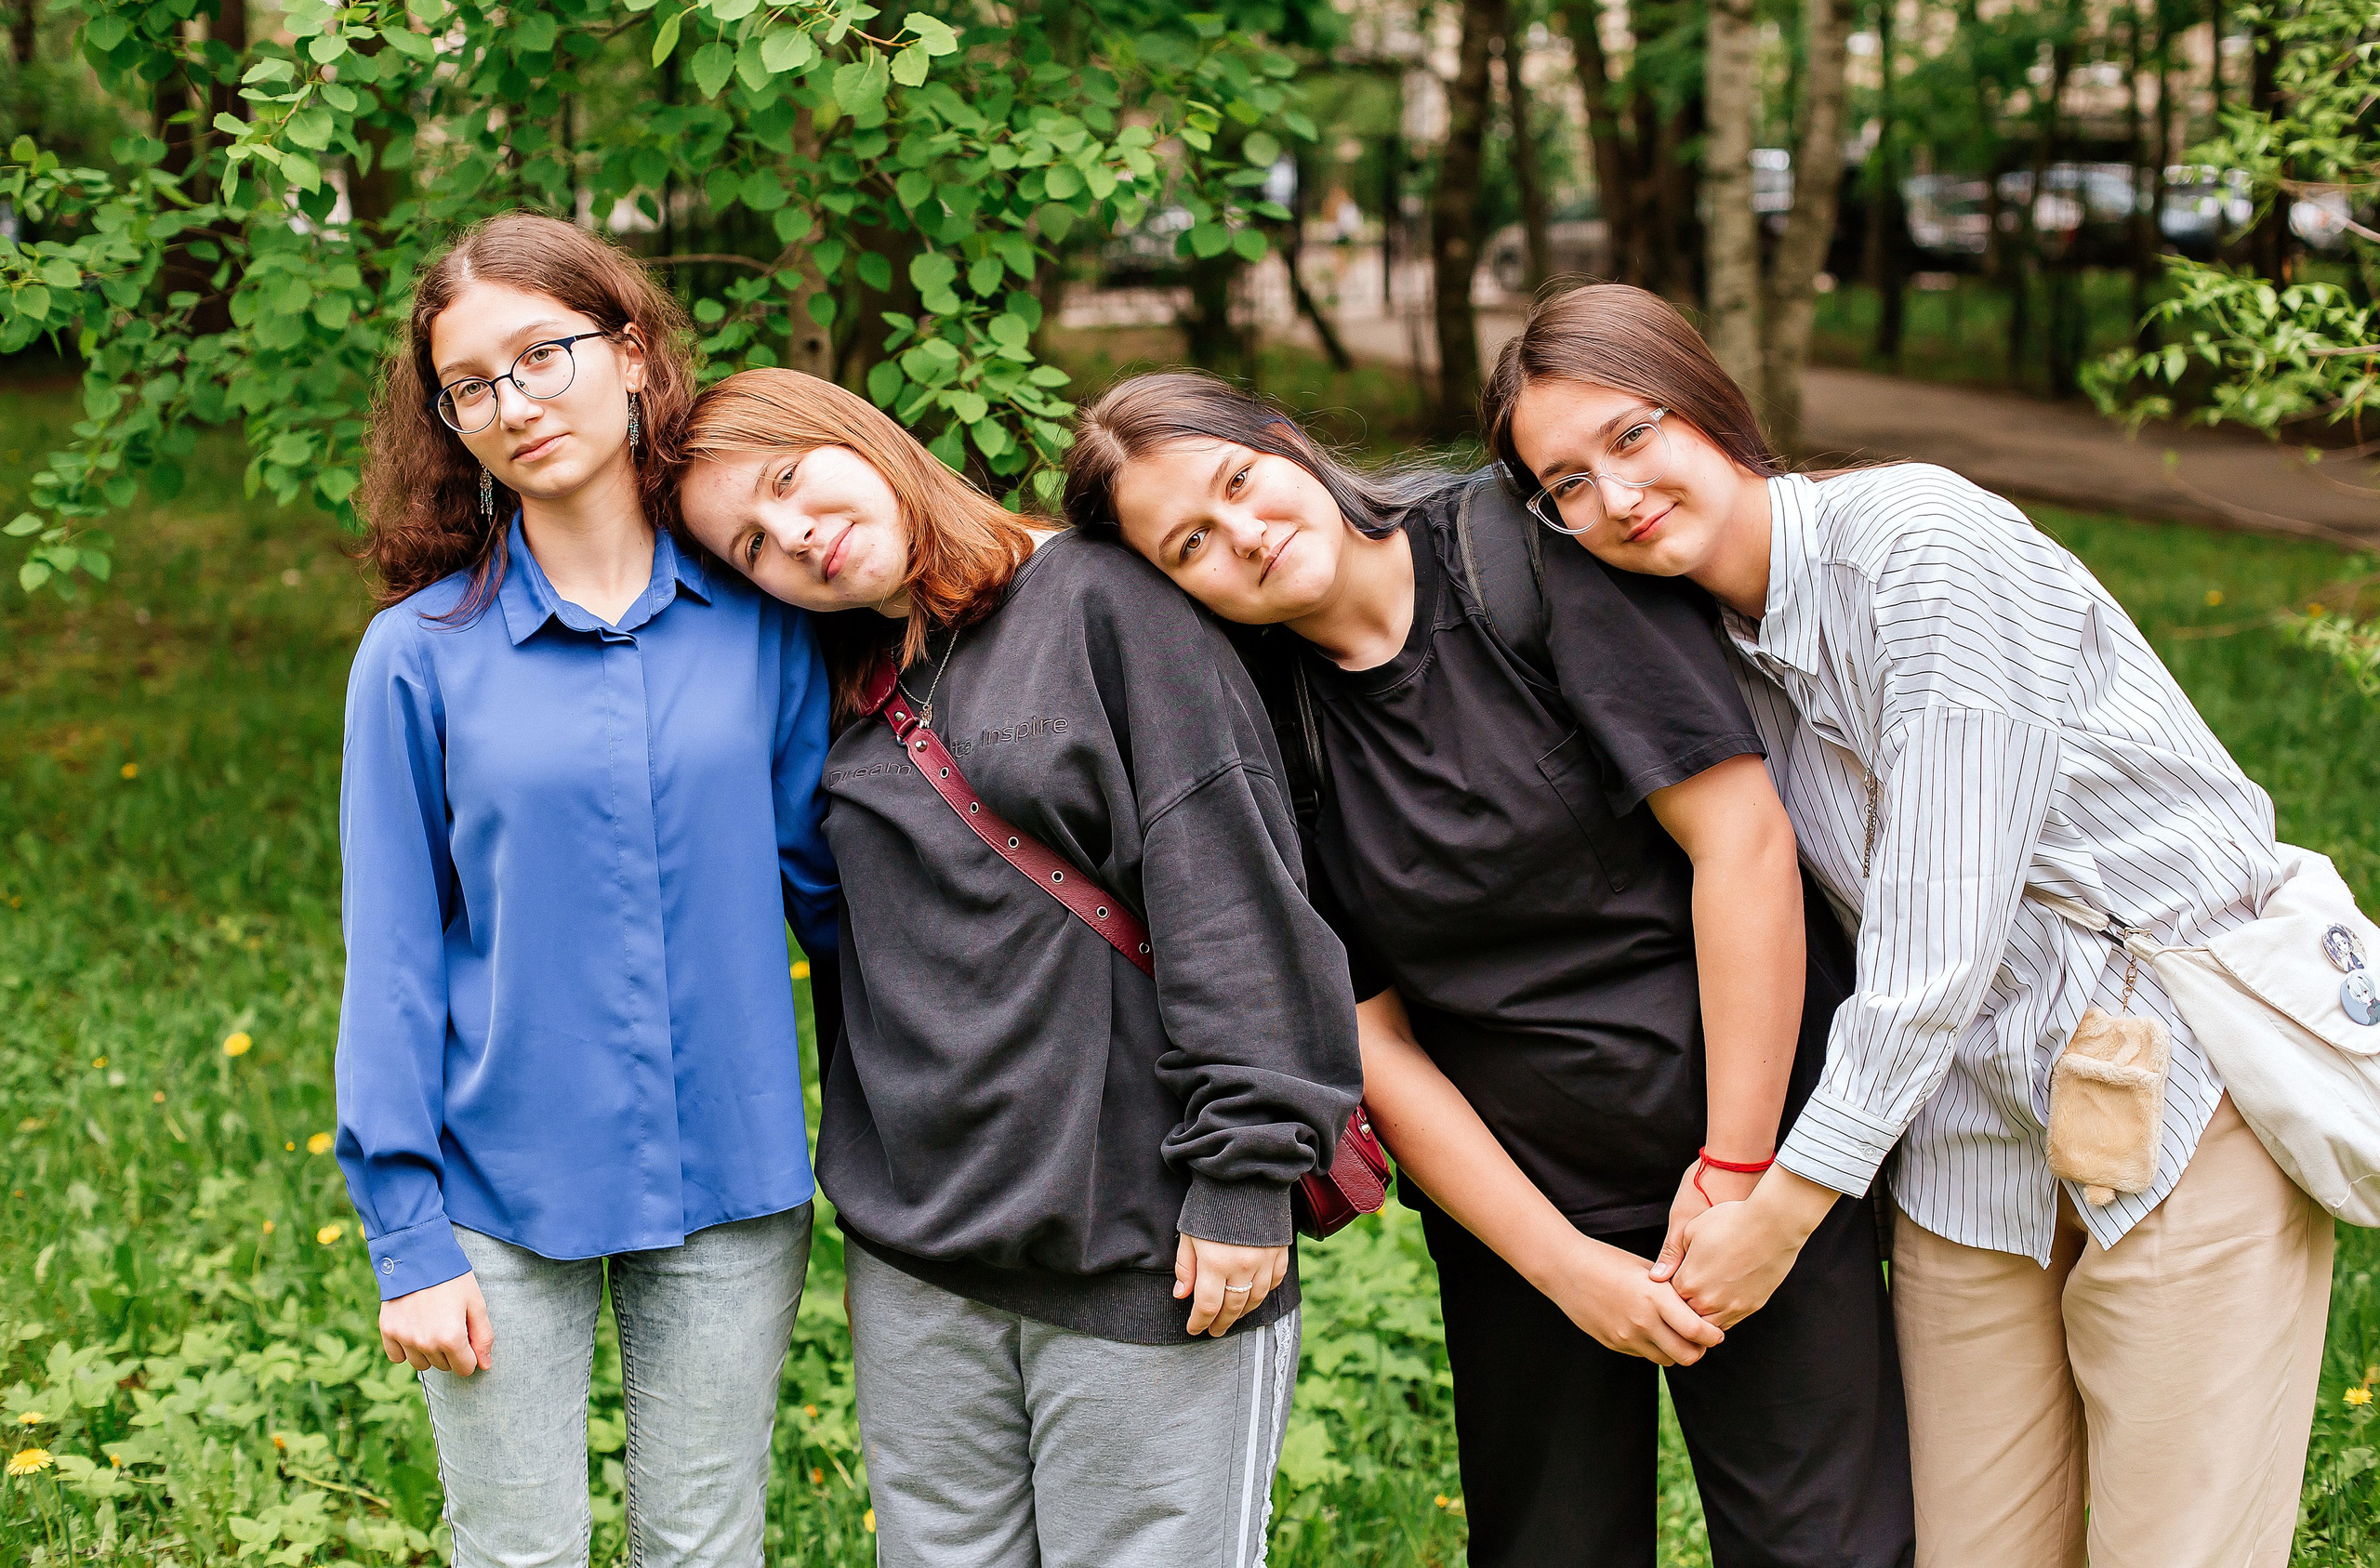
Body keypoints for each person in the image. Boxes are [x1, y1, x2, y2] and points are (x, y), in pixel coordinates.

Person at [1482, 282, 2334, 1568]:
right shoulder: (1708, 653)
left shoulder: (1922, 545)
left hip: (2171, 1086)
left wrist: (1775, 1207)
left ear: (1709, 405)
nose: (1614, 495)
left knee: (2182, 1545)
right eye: (1566, 485)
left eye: (1632, 433)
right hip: (1966, 1139)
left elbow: (1937, 949)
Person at [1063, 370, 1916, 1567]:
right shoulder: (1253, 723)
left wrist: (1737, 1171)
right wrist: (1565, 1270)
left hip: (1750, 1150)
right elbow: (1374, 1039)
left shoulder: (1518, 557)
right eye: (1189, 543)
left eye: (1238, 482)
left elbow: (1745, 843)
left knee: (1821, 1548)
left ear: (1284, 442)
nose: (1244, 537)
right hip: (1519, 1206)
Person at [672, 368, 1363, 1568]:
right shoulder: (834, 692)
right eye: (753, 545)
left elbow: (1229, 888)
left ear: (861, 438)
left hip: (1144, 1248)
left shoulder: (1102, 602)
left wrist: (1248, 1177)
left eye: (790, 480)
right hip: (922, 1261)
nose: (796, 535)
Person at [336, 212, 839, 1568]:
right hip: (494, 1190)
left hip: (734, 1181)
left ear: (629, 352)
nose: (514, 404)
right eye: (473, 386)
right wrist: (406, 1236)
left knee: (706, 1546)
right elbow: (388, 954)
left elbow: (838, 900)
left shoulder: (766, 621)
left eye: (541, 356)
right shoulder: (414, 659)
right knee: (517, 1556)